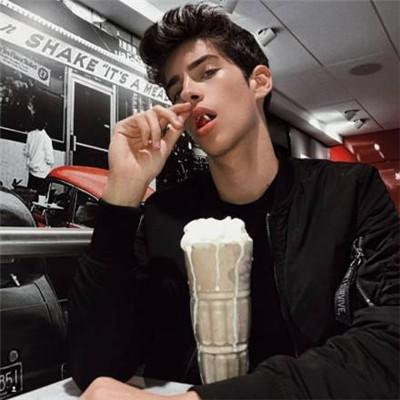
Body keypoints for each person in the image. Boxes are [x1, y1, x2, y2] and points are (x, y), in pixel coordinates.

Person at [68, 3, 399, 400]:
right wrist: (124, 191)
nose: (187, 92)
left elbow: (387, 346)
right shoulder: (165, 219)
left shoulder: (348, 193)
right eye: (175, 89)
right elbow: (94, 366)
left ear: (259, 82)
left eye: (207, 72)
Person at [24, 111, 54, 195]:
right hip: (43, 174)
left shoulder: (30, 135)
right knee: (41, 198)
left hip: (32, 173)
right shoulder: (47, 139)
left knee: (30, 196)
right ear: (45, 124)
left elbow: (26, 152)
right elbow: (50, 160)